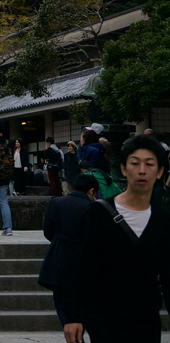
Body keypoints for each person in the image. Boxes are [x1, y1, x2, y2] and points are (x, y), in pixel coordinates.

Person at [62, 135, 170, 343]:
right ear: (123, 169)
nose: (141, 170)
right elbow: (79, 265)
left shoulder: (163, 219)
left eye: (149, 164)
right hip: (104, 317)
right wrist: (73, 316)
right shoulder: (99, 212)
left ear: (160, 172)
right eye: (135, 163)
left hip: (146, 318)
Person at [38, 173, 98, 326]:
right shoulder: (92, 208)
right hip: (83, 260)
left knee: (61, 300)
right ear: (91, 191)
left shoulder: (56, 203)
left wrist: (59, 241)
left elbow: (47, 231)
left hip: (58, 256)